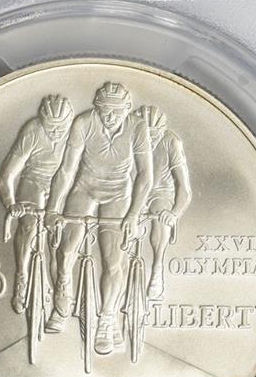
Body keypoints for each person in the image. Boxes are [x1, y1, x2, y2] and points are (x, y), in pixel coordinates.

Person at [45, 82, 153, 354]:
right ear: (96, 108)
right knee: (65, 250)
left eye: (116, 111)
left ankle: (107, 318)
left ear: (127, 110)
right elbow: (66, 170)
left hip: (118, 194)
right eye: (105, 110)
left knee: (113, 260)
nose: (110, 116)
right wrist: (53, 209)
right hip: (85, 189)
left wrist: (133, 215)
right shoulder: (83, 123)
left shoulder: (137, 127)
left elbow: (145, 176)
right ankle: (63, 291)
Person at [0, 95, 73, 313]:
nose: (56, 132)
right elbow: (6, 176)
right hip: (34, 181)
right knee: (29, 226)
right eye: (50, 126)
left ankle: (61, 285)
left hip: (64, 184)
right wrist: (11, 204)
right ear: (42, 121)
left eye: (61, 127)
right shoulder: (32, 131)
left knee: (58, 240)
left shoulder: (77, 133)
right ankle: (22, 277)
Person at [134, 105, 191, 300]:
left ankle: (157, 267)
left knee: (160, 215)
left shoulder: (171, 142)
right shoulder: (128, 137)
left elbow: (184, 188)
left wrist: (174, 213)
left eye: (154, 135)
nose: (149, 140)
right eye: (145, 135)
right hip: (134, 190)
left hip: (161, 192)